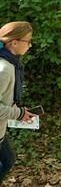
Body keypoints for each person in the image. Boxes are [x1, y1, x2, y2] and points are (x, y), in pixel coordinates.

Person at [0, 22, 37, 183]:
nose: (30, 45)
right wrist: (18, 113)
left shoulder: (11, 64)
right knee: (7, 161)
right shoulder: (5, 69)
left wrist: (21, 112)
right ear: (14, 42)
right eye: (28, 41)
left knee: (8, 160)